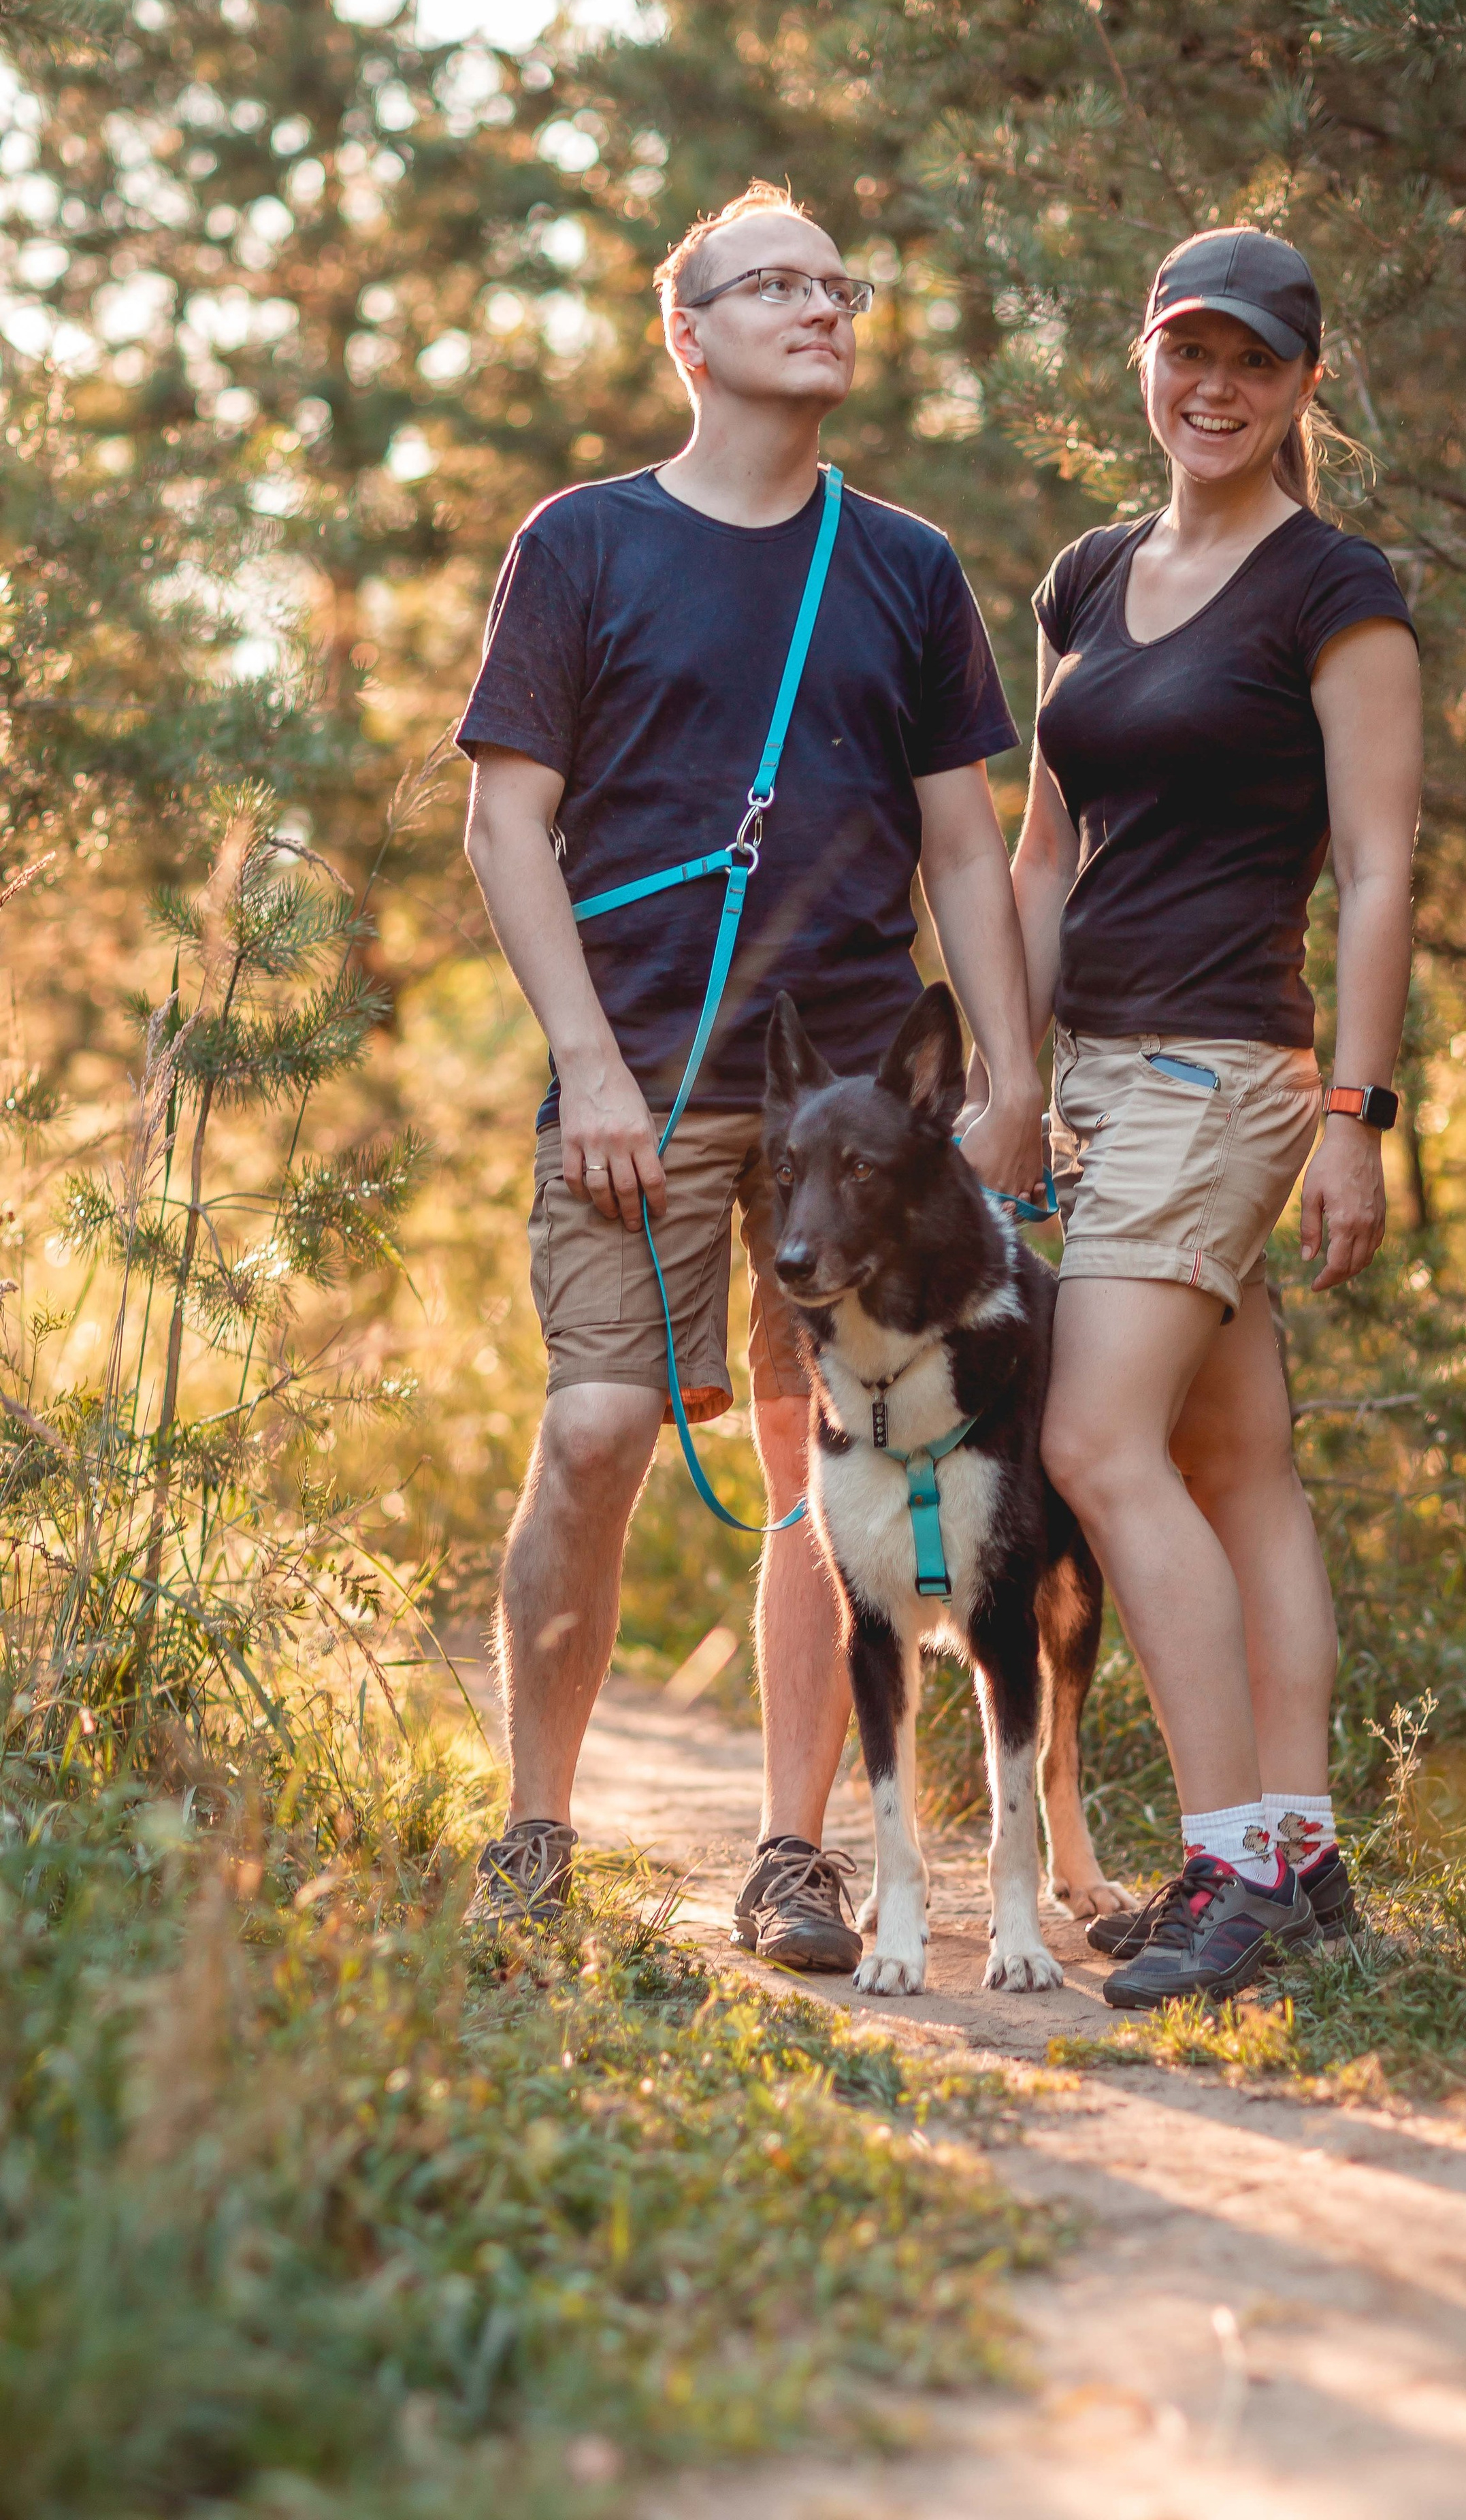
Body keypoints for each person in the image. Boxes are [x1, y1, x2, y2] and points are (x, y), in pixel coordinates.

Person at [457, 182, 1043, 1962]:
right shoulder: (582, 545)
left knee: (830, 1464)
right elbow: (507, 820)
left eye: (833, 280)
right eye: (772, 283)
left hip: (851, 1108)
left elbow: (964, 847)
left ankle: (795, 1852)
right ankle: (534, 1829)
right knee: (598, 1427)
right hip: (634, 1073)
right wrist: (591, 1064)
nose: (820, 303)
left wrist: (1008, 1068)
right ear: (687, 334)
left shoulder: (909, 567)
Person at [1010, 226, 1422, 2004]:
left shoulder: (1338, 587)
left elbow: (1388, 866)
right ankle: (1308, 1851)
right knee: (1232, 1465)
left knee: (1096, 1450)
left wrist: (1356, 1109)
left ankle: (1226, 1864)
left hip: (1221, 1067)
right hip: (1091, 1072)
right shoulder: (1091, 576)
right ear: (1146, 358)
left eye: (1253, 360)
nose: (1215, 386)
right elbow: (1041, 852)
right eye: (1189, 350)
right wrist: (1002, 1076)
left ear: (1303, 383)